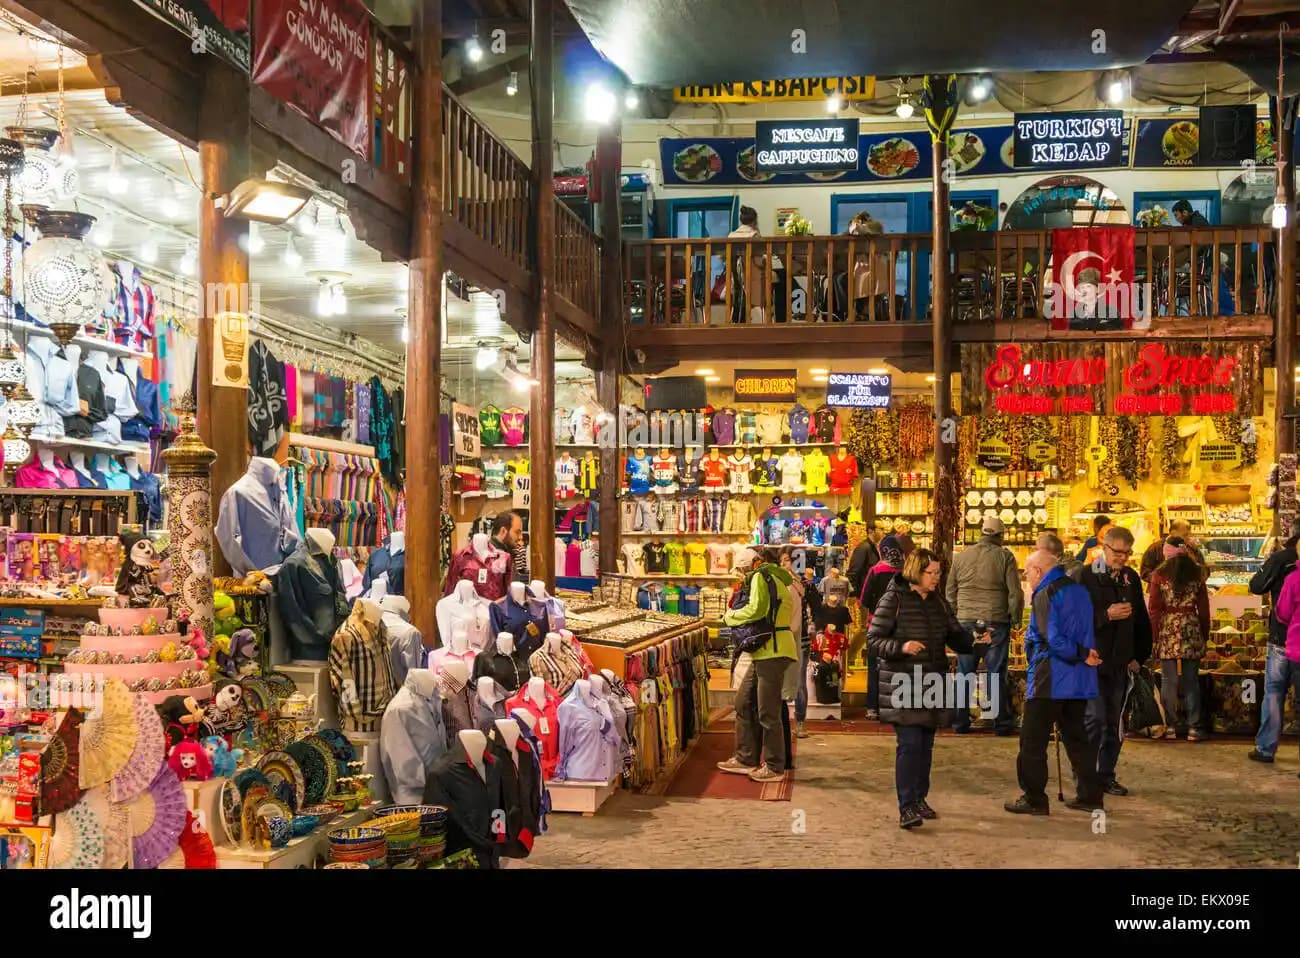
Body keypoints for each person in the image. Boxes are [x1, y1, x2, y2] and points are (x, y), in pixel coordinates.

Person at [868, 548, 978, 828]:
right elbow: (874, 640)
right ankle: (906, 806)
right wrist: (901, 647)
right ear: (915, 571)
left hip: (933, 681)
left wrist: (977, 641)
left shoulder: (938, 602)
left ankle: (919, 798)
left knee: (926, 744)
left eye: (939, 573)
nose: (937, 578)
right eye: (932, 573)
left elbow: (955, 637)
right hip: (902, 682)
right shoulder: (894, 599)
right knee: (910, 744)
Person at [1005, 549, 1105, 815]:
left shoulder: (1045, 594)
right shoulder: (1079, 590)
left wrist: (1080, 653)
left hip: (1051, 676)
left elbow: (1054, 639)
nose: (1026, 577)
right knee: (1077, 738)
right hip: (1078, 678)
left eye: (1027, 572)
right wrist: (1085, 654)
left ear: (1038, 571)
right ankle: (1090, 795)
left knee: (1033, 741)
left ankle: (1034, 798)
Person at [1078, 526, 1152, 795]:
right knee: (1095, 719)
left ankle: (1106, 774)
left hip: (1121, 663)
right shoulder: (1085, 577)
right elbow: (1074, 620)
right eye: (1117, 552)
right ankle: (1086, 774)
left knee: (1115, 722)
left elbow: (1142, 620)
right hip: (1093, 661)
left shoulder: (1131, 578)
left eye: (1126, 553)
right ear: (1104, 548)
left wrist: (1139, 656)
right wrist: (1105, 615)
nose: (1122, 557)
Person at [717, 548, 797, 783]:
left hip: (772, 651)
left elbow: (757, 609)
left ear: (753, 564)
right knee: (744, 701)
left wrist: (729, 617)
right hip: (766, 651)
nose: (741, 576)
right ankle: (746, 758)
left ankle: (774, 766)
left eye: (742, 571)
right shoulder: (771, 577)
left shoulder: (762, 576)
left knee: (767, 711)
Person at [946, 517, 1022, 736]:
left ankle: (960, 723)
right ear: (1000, 536)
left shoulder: (961, 557)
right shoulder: (1005, 557)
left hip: (966, 622)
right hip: (995, 622)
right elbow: (1014, 594)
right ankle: (1001, 724)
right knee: (995, 672)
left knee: (964, 671)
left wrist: (955, 618)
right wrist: (1015, 619)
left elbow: (950, 591)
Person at [1148, 537, 1211, 741]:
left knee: (1169, 679)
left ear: (1167, 551)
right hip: (1191, 626)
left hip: (1168, 627)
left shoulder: (1159, 574)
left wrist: (1155, 636)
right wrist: (1204, 633)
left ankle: (1170, 726)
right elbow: (1203, 609)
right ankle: (1194, 727)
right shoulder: (1197, 572)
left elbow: (1155, 609)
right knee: (1192, 680)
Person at [1247, 520, 1300, 763]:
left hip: (1282, 637)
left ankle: (1266, 747)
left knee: (1274, 692)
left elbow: (1256, 585)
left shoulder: (1282, 560)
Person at [860, 534, 905, 721]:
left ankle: (873, 707)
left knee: (875, 667)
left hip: (876, 625)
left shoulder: (876, 571)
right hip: (900, 625)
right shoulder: (906, 572)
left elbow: (863, 598)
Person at [728, 206, 786, 323]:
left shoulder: (731, 236)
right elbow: (760, 261)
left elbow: (723, 257)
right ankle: (780, 318)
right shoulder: (754, 236)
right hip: (755, 280)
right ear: (755, 221)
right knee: (783, 277)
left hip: (737, 281)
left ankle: (737, 316)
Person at [781, 551, 810, 740]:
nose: (785, 564)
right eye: (781, 560)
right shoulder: (779, 583)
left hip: (801, 637)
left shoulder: (804, 584)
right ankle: (782, 723)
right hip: (783, 638)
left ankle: (800, 722)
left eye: (788, 560)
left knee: (799, 681)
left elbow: (814, 607)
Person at [1139, 520, 1204, 581]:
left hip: (1188, 591)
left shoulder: (1191, 548)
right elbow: (1144, 573)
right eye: (1185, 535)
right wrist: (1162, 579)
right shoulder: (1155, 548)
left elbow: (1204, 571)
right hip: (1161, 591)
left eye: (1189, 535)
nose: (1188, 538)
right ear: (1173, 533)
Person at [846, 522, 883, 600]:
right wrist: (854, 595)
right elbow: (853, 572)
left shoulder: (872, 547)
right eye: (881, 529)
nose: (883, 532)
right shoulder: (864, 548)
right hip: (863, 594)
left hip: (870, 593)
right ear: (871, 531)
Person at [491, 510, 525, 579]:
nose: (521, 537)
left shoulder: (507, 554)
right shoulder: (492, 558)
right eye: (517, 532)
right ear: (503, 531)